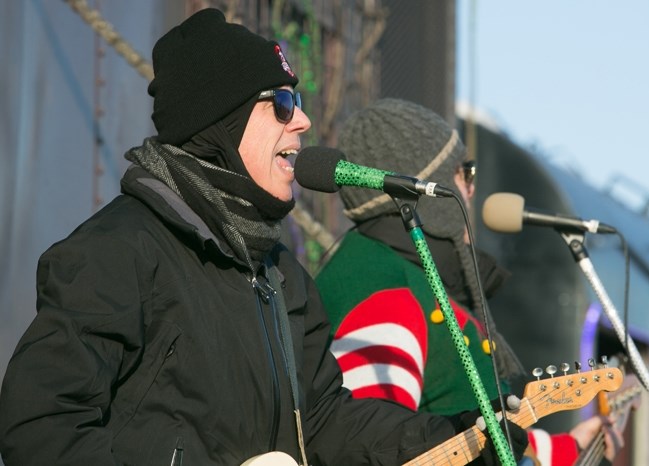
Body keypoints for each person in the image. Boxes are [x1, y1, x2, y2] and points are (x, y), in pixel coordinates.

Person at [0, 10, 530, 466]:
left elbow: (325, 423)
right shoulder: (118, 251)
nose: (301, 119)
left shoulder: (280, 273)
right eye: (279, 101)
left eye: (297, 99)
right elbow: (41, 426)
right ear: (221, 123)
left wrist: (460, 437)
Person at [315, 98, 623, 466]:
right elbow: (370, 445)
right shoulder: (385, 285)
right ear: (430, 189)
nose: (472, 190)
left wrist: (573, 449)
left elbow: (479, 434)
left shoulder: (413, 278)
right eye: (465, 173)